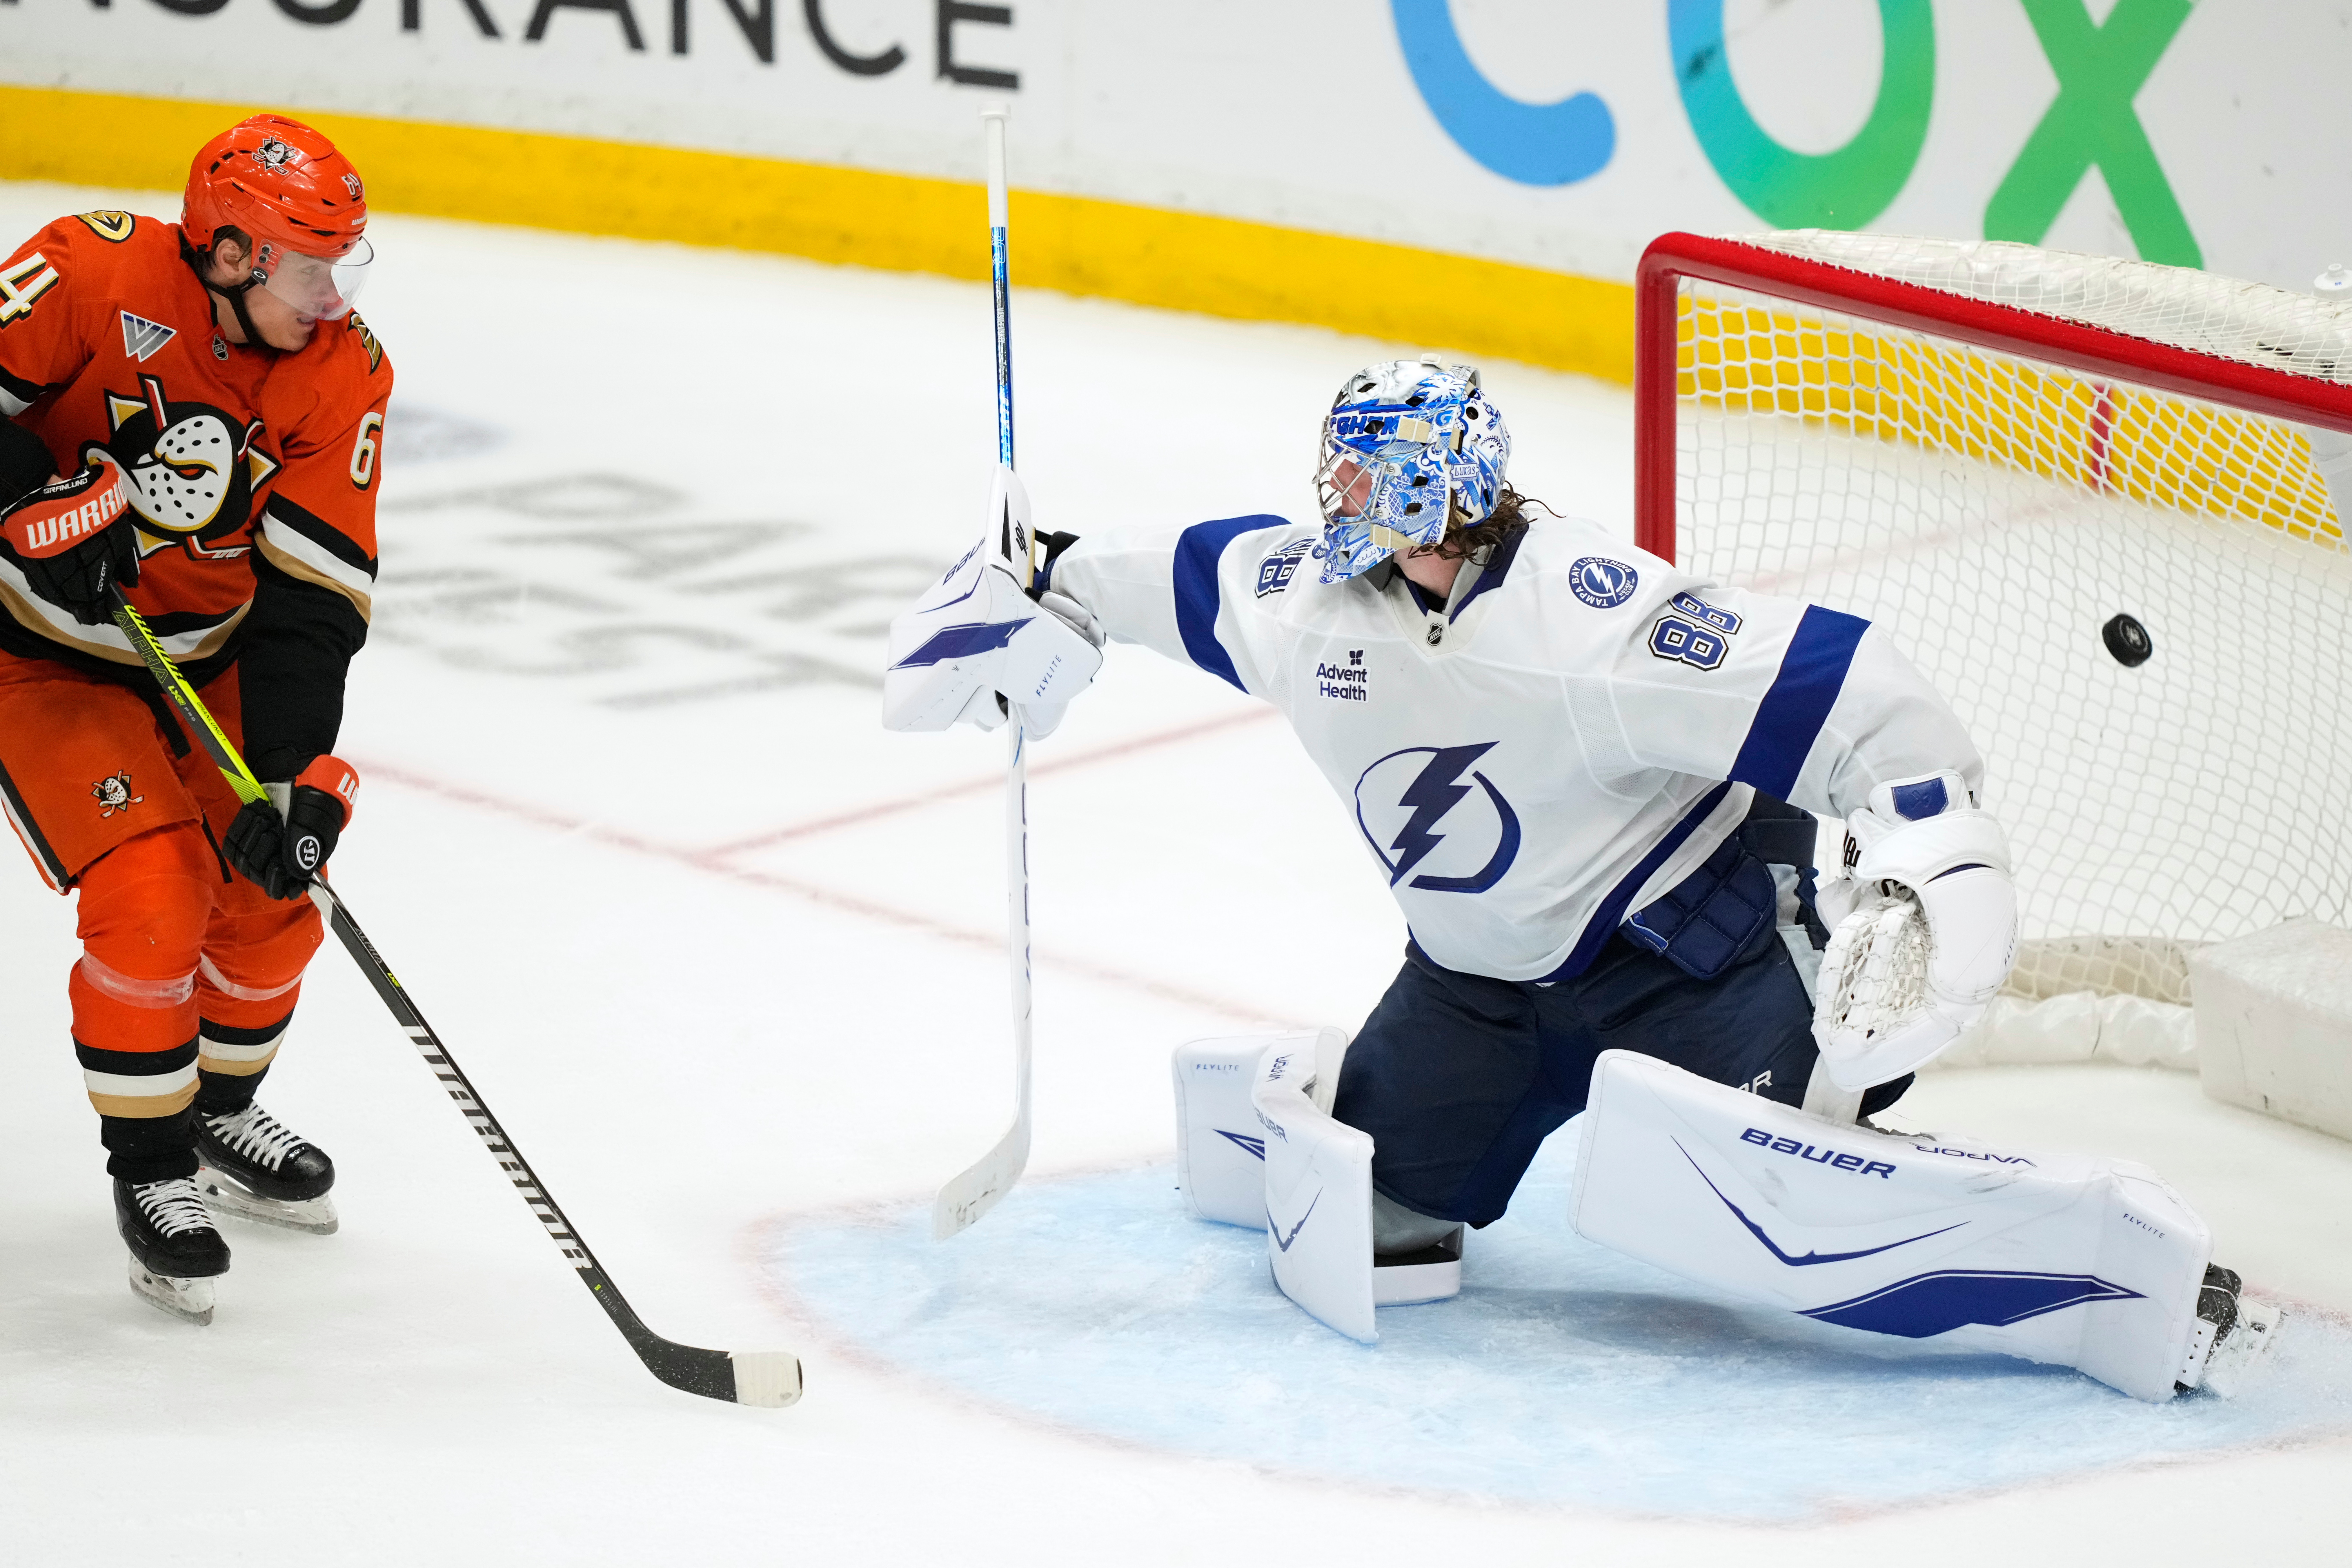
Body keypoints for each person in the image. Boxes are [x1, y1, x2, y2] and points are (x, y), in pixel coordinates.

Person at [884, 357, 2275, 1400]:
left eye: (1371, 480)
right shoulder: (1303, 601)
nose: (1341, 501)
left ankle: (2102, 1276)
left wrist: (1925, 851)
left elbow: (1855, 691)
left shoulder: (1595, 625)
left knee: (1783, 1211)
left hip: (1693, 961)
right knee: (1369, 1223)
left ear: (1440, 490)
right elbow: (1166, 578)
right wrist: (1039, 582)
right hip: (1473, 991)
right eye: (1340, 476)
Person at [0, 115, 389, 1322]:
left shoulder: (345, 371)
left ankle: (219, 1112)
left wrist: (287, 771)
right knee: (154, 894)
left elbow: (313, 599)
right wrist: (25, 505)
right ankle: (153, 1165)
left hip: (209, 657)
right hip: (39, 657)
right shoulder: (88, 267)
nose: (334, 297)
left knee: (274, 889)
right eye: (311, 270)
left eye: (342, 267)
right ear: (229, 254)